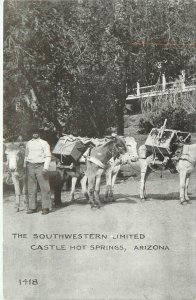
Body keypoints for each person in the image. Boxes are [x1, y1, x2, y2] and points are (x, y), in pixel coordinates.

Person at [24, 127, 51, 215]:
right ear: (31, 133)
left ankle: (45, 207)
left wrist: (45, 168)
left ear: (39, 133)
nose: (35, 134)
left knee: (44, 187)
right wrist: (25, 166)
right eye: (33, 132)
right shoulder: (28, 143)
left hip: (41, 166)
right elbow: (26, 155)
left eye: (36, 132)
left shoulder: (44, 143)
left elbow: (48, 156)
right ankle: (32, 207)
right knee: (31, 188)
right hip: (30, 166)